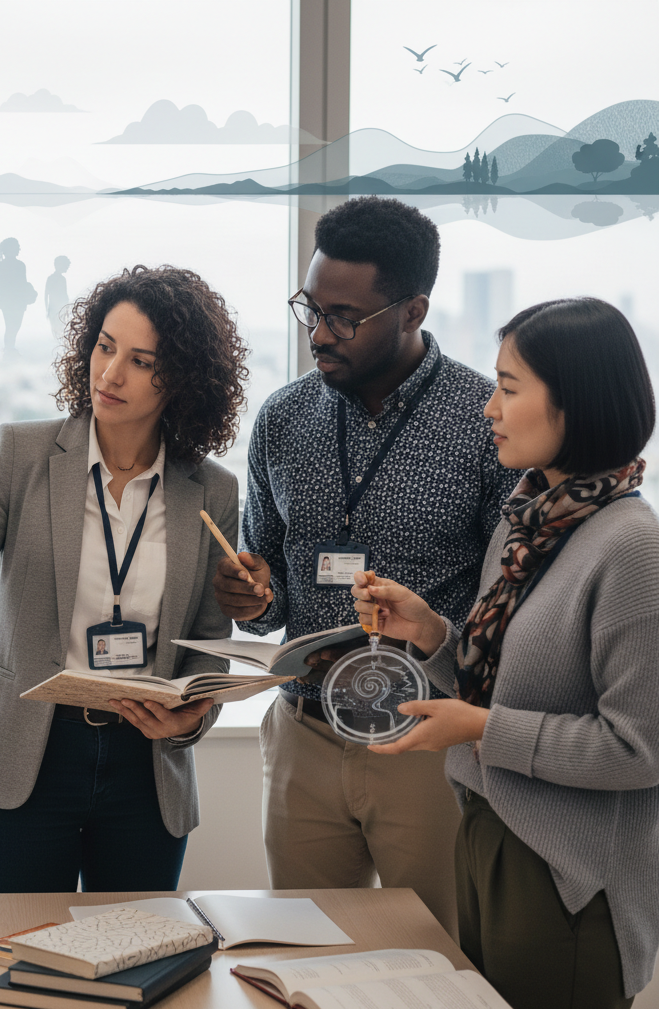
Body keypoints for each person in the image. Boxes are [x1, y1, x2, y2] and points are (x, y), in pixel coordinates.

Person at [0, 264, 249, 893]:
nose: (110, 374)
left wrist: (190, 722)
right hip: (26, 754)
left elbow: (207, 647)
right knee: (24, 946)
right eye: (105, 347)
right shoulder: (20, 455)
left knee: (137, 944)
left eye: (141, 361)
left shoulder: (212, 490)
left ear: (183, 380)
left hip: (146, 766)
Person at [212, 196, 519, 936]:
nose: (319, 333)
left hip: (425, 741)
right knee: (303, 960)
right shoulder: (283, 418)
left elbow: (510, 610)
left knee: (438, 962)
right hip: (304, 733)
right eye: (310, 309)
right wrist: (255, 596)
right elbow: (273, 593)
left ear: (413, 311)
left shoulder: (485, 422)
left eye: (344, 317)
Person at [350, 297, 659, 1009]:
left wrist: (481, 730)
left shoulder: (632, 549)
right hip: (488, 831)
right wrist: (432, 634)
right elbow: (507, 683)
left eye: (509, 387)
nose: (489, 408)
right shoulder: (528, 523)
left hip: (567, 872)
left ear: (575, 401)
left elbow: (639, 749)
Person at [0, 236, 32, 354]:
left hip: (16, 300)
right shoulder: (5, 265)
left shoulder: (19, 265)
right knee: (11, 325)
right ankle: (9, 348)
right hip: (10, 300)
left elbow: (23, 282)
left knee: (14, 325)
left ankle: (9, 348)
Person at [45, 254, 71, 340]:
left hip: (59, 307)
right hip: (56, 307)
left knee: (59, 326)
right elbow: (46, 294)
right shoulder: (54, 278)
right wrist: (48, 308)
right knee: (57, 326)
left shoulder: (60, 279)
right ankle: (57, 340)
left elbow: (64, 294)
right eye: (65, 265)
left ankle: (58, 340)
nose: (66, 268)